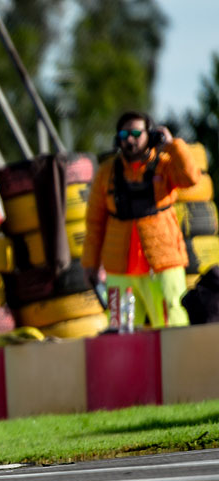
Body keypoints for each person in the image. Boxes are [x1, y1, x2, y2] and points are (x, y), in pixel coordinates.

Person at [83, 111, 200, 328]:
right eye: (124, 133)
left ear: (151, 135)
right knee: (120, 332)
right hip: (120, 271)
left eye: (136, 133)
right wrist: (90, 263)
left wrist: (173, 144)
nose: (130, 139)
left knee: (172, 326)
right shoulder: (107, 172)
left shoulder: (165, 163)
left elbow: (191, 177)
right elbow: (95, 222)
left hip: (163, 265)